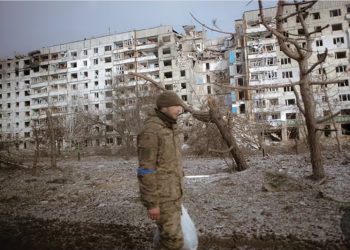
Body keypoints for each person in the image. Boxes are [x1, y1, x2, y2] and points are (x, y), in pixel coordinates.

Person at [137, 91, 185, 250]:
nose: (180, 109)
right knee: (174, 240)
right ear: (164, 107)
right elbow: (145, 170)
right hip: (162, 198)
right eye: (176, 106)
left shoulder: (171, 128)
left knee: (167, 237)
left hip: (175, 195)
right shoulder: (151, 131)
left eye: (180, 106)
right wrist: (152, 204)